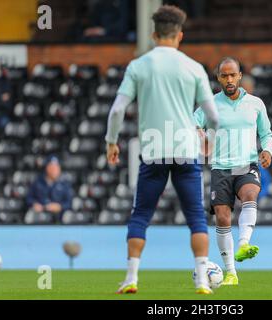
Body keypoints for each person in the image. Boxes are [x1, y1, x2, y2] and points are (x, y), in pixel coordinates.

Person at [105, 5, 219, 294]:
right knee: (195, 216)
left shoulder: (139, 66)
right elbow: (213, 116)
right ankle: (203, 280)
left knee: (140, 215)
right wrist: (209, 139)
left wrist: (111, 141)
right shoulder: (193, 67)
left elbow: (118, 109)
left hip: (154, 151)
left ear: (154, 34)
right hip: (186, 150)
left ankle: (131, 278)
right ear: (179, 35)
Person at [193, 57, 272, 285]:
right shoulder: (210, 104)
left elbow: (266, 134)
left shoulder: (256, 103)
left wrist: (267, 150)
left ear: (240, 76)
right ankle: (231, 272)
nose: (229, 79)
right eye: (224, 75)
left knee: (250, 193)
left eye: (233, 75)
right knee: (222, 217)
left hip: (246, 164)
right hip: (220, 167)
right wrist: (201, 137)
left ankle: (244, 244)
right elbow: (192, 121)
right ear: (219, 78)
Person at [241, 74, 272, 200]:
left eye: (248, 88)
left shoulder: (258, 104)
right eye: (243, 88)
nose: (246, 91)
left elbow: (265, 130)